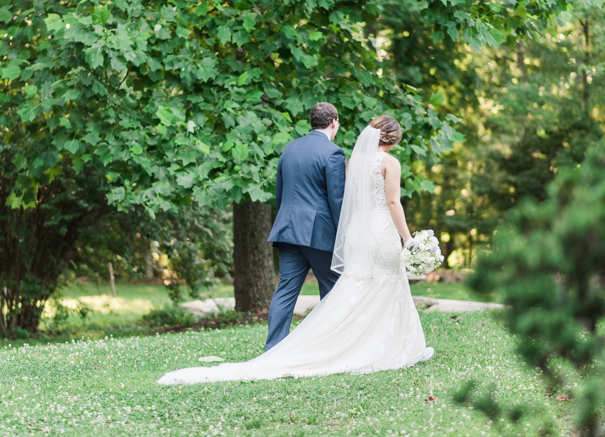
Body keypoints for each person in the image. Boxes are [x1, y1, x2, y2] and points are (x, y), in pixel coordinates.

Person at [157, 115, 433, 386]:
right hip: (345, 233)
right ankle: (345, 345)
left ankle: (275, 348)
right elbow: (356, 200)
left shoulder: (316, 154)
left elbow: (284, 192)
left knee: (293, 289)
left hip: (292, 228)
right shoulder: (349, 156)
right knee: (347, 290)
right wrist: (399, 238)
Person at [265, 102, 346, 350]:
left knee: (286, 290)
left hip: (287, 230)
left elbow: (280, 193)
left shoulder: (290, 149)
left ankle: (273, 348)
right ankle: (330, 346)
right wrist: (344, 234)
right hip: (319, 233)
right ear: (333, 122)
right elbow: (337, 200)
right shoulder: (333, 153)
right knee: (334, 289)